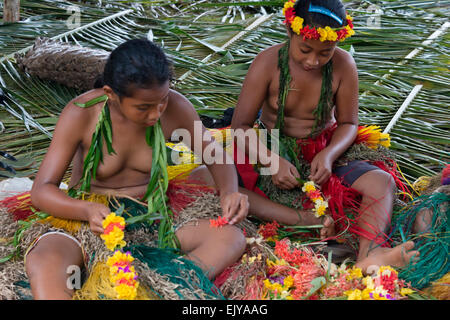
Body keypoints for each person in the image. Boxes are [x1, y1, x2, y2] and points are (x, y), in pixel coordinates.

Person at [192, 0, 419, 274]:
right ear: (289, 31)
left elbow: (348, 123)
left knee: (381, 183)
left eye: (325, 52)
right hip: (269, 145)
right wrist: (271, 160)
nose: (313, 61)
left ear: (337, 41)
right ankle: (300, 219)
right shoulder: (267, 63)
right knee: (214, 180)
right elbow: (240, 127)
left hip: (324, 147)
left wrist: (329, 155)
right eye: (305, 50)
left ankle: (370, 252)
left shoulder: (343, 65)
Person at [25, 38, 249, 299]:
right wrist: (86, 210)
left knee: (230, 239)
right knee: (46, 262)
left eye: (162, 101)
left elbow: (215, 156)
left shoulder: (176, 108)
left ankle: (160, 284)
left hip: (154, 215)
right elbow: (42, 190)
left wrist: (229, 192)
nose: (156, 114)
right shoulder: (81, 113)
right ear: (111, 94)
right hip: (88, 218)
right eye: (143, 107)